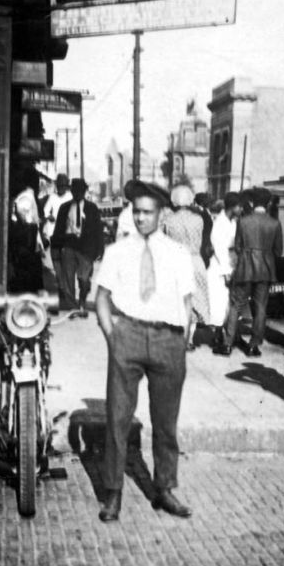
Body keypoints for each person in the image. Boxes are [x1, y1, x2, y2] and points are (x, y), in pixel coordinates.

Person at [93, 180, 194, 522]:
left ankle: (164, 489)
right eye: (136, 211)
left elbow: (187, 302)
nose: (140, 218)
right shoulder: (116, 251)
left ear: (161, 214)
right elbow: (102, 298)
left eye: (147, 212)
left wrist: (182, 340)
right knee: (117, 420)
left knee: (166, 423)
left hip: (168, 340)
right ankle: (113, 494)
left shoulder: (178, 254)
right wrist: (113, 337)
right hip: (129, 336)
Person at [217, 187, 282, 358]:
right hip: (265, 270)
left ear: (252, 203)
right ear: (268, 204)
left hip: (245, 267)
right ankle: (254, 346)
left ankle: (227, 344)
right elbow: (278, 250)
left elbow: (237, 246)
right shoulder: (275, 223)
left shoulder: (243, 221)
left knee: (236, 304)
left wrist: (247, 254)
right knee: (260, 307)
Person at [162, 183, 211, 349]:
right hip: (196, 262)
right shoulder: (199, 219)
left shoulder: (168, 220)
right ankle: (189, 339)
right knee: (196, 301)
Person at [50, 178, 104, 315]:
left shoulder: (92, 208)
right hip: (68, 246)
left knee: (84, 280)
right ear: (71, 191)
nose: (77, 193)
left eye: (80, 190)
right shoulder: (64, 208)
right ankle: (73, 308)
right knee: (68, 279)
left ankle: (82, 301)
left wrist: (100, 250)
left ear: (84, 191)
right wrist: (56, 248)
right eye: (75, 190)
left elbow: (98, 230)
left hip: (86, 249)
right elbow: (58, 229)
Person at [207, 192, 241, 346]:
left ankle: (230, 332)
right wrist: (226, 271)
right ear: (232, 207)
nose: (241, 209)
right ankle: (217, 334)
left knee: (230, 302)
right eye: (239, 206)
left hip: (231, 261)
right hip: (221, 265)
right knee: (220, 301)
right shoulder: (220, 223)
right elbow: (219, 248)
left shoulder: (232, 221)